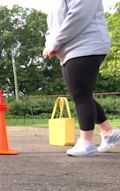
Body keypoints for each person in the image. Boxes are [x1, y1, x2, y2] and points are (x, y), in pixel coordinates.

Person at [44, 0, 120, 156]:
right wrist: (50, 42)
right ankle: (108, 132)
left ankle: (86, 142)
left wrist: (56, 42)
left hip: (87, 45)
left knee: (80, 95)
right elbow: (53, 25)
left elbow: (79, 16)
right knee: (81, 94)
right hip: (69, 49)